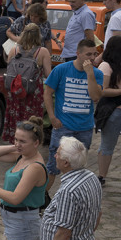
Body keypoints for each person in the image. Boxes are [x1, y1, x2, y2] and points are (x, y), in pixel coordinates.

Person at [43, 39, 102, 189]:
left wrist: (90, 74)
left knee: (77, 168)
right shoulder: (61, 69)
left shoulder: (96, 74)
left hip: (84, 128)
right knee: (53, 166)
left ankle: (71, 196)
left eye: (94, 54)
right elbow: (48, 93)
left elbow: (95, 97)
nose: (92, 58)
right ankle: (42, 200)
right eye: (88, 54)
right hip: (63, 126)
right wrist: (52, 117)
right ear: (78, 54)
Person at [2, 22, 51, 143]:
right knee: (31, 119)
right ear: (38, 36)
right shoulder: (42, 52)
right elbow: (48, 75)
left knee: (16, 115)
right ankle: (30, 143)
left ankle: (16, 142)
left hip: (16, 91)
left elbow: (10, 69)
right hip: (33, 93)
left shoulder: (14, 50)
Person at [95, 35, 121, 186]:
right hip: (114, 110)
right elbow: (103, 91)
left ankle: (102, 176)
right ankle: (101, 176)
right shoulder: (105, 66)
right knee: (107, 145)